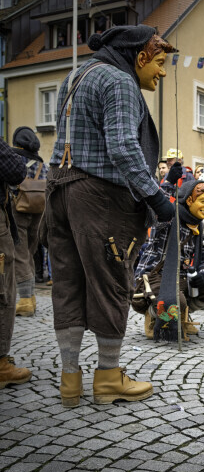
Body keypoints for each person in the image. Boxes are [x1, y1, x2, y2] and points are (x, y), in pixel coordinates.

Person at [46, 26, 176, 407]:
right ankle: (107, 378)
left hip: (60, 188)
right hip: (100, 196)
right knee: (111, 282)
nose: (162, 72)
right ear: (139, 56)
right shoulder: (120, 81)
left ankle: (70, 379)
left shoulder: (76, 75)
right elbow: (122, 145)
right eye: (159, 62)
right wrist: (156, 197)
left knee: (67, 282)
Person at [133, 180, 204, 339]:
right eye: (203, 201)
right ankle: (154, 314)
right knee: (175, 301)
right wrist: (169, 183)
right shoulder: (169, 219)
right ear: (189, 200)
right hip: (157, 276)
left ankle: (182, 313)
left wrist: (203, 275)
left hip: (185, 277)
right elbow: (158, 206)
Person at [0, 138, 32, 390]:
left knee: (22, 256)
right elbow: (14, 169)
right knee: (4, 282)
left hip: (22, 211)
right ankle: (1, 364)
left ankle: (28, 299)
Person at [10, 126, 47, 317]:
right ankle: (31, 297)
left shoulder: (15, 159)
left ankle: (24, 301)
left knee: (19, 253)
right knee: (30, 253)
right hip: (39, 212)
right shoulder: (42, 164)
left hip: (19, 209)